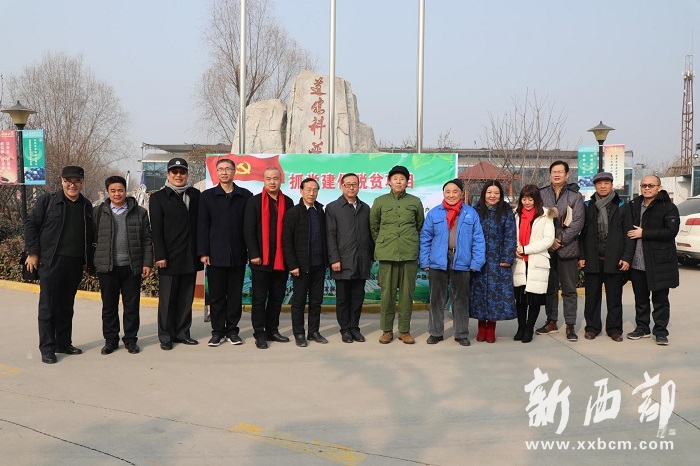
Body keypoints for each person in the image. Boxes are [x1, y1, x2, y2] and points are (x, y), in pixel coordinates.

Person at [24, 166, 95, 364]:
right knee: (48, 307)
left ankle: (63, 343)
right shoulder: (48, 201)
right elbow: (30, 225)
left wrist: (88, 261)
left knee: (66, 306)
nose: (72, 185)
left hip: (75, 263)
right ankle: (47, 348)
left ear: (82, 183)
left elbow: (90, 235)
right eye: (68, 181)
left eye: (77, 181)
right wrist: (33, 253)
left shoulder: (86, 205)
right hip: (51, 261)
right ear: (62, 181)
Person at [420, 179, 485, 346]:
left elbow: (478, 239)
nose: (451, 195)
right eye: (447, 192)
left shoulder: (470, 213)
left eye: (455, 191)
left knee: (461, 299)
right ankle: (435, 332)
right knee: (436, 299)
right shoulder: (434, 213)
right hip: (438, 261)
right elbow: (425, 239)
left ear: (461, 193)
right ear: (443, 194)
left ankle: (461, 333)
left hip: (461, 260)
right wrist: (425, 260)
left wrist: (476, 262)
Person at [93, 175, 153, 355]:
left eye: (120, 190)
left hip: (131, 266)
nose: (117, 194)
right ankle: (111, 340)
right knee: (109, 306)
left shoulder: (139, 212)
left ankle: (130, 340)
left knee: (131, 306)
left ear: (126, 191)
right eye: (113, 191)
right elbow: (91, 239)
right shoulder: (98, 212)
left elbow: (147, 239)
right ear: (107, 192)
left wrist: (147, 263)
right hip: (108, 267)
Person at [198, 158, 253, 347]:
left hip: (238, 254)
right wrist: (203, 251)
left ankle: (232, 331)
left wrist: (251, 251)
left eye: (228, 169)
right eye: (220, 169)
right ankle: (217, 332)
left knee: (235, 295)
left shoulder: (245, 196)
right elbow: (202, 225)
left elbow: (249, 226)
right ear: (216, 172)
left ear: (234, 171)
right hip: (215, 255)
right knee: (217, 296)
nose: (224, 172)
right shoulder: (207, 196)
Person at [149, 158, 202, 350]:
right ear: (168, 175)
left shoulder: (195, 195)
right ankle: (166, 335)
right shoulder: (158, 198)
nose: (178, 175)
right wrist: (160, 255)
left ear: (187, 174)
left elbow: (201, 225)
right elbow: (156, 230)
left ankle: (182, 333)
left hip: (190, 256)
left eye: (182, 172)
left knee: (186, 298)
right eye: (174, 172)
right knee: (168, 300)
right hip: (169, 258)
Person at [370, 165, 425, 344]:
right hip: (387, 253)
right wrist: (384, 242)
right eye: (395, 179)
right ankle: (386, 330)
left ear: (407, 182)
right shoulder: (380, 201)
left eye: (402, 179)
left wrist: (409, 241)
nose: (399, 182)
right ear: (389, 182)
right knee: (387, 294)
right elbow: (374, 227)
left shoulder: (415, 202)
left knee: (407, 294)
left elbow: (420, 225)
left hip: (408, 253)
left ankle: (404, 330)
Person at [578, 172, 634, 342]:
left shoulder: (622, 205)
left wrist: (626, 257)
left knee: (614, 298)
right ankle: (592, 328)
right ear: (595, 186)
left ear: (612, 185)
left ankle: (614, 329)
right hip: (593, 259)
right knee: (592, 298)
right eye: (599, 183)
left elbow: (628, 234)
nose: (602, 186)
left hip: (614, 260)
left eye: (606, 183)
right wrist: (582, 255)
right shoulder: (588, 205)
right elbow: (582, 234)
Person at [244, 167, 295, 349]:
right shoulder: (254, 202)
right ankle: (259, 333)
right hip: (261, 260)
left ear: (281, 180)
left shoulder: (288, 202)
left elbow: (290, 231)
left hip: (280, 260)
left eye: (275, 178)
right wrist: (254, 254)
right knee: (259, 298)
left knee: (277, 297)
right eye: (268, 179)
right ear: (263, 181)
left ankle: (272, 330)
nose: (272, 182)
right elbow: (248, 230)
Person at [626, 175, 680, 346]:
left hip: (659, 262)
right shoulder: (634, 205)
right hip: (638, 261)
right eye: (644, 185)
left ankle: (661, 331)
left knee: (660, 300)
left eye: (651, 185)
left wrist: (644, 233)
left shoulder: (668, 207)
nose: (647, 188)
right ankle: (642, 328)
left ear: (659, 187)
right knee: (641, 299)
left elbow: (671, 232)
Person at [537, 160, 584, 342]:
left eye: (560, 172)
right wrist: (549, 242)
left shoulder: (575, 196)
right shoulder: (541, 194)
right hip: (547, 249)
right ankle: (551, 321)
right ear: (550, 174)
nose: (557, 175)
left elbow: (577, 222)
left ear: (567, 175)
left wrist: (560, 241)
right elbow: (537, 219)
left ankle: (570, 324)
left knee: (569, 290)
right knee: (550, 288)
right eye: (554, 172)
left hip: (568, 249)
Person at [326, 173, 374, 343]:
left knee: (357, 298)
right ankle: (345, 329)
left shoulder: (365, 208)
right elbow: (330, 235)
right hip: (342, 261)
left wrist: (370, 257)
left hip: (361, 261)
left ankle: (355, 328)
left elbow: (370, 235)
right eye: (348, 184)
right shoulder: (333, 208)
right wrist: (334, 259)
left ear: (359, 186)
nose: (351, 187)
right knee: (343, 299)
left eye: (354, 184)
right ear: (341, 186)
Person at [469, 180, 517, 343]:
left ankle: (491, 328)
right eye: (489, 192)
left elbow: (510, 235)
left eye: (496, 193)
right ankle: (481, 327)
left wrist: (507, 257)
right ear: (484, 194)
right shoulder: (475, 211)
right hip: (479, 260)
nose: (492, 196)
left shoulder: (506, 212)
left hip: (498, 261)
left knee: (495, 296)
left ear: (500, 195)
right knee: (479, 295)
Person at [282, 178, 328, 347]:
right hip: (301, 267)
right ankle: (299, 333)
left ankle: (313, 331)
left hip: (319, 265)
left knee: (316, 301)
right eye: (308, 189)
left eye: (315, 190)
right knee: (299, 302)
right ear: (301, 191)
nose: (311, 193)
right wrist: (293, 265)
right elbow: (287, 241)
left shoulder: (320, 211)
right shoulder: (293, 213)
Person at [513, 184, 557, 343]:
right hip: (519, 261)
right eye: (524, 199)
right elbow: (512, 235)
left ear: (536, 199)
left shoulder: (546, 215)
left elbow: (548, 240)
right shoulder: (515, 214)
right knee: (520, 299)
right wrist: (516, 248)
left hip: (536, 261)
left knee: (534, 299)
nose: (527, 202)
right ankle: (521, 327)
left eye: (530, 199)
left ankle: (529, 329)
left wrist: (526, 249)